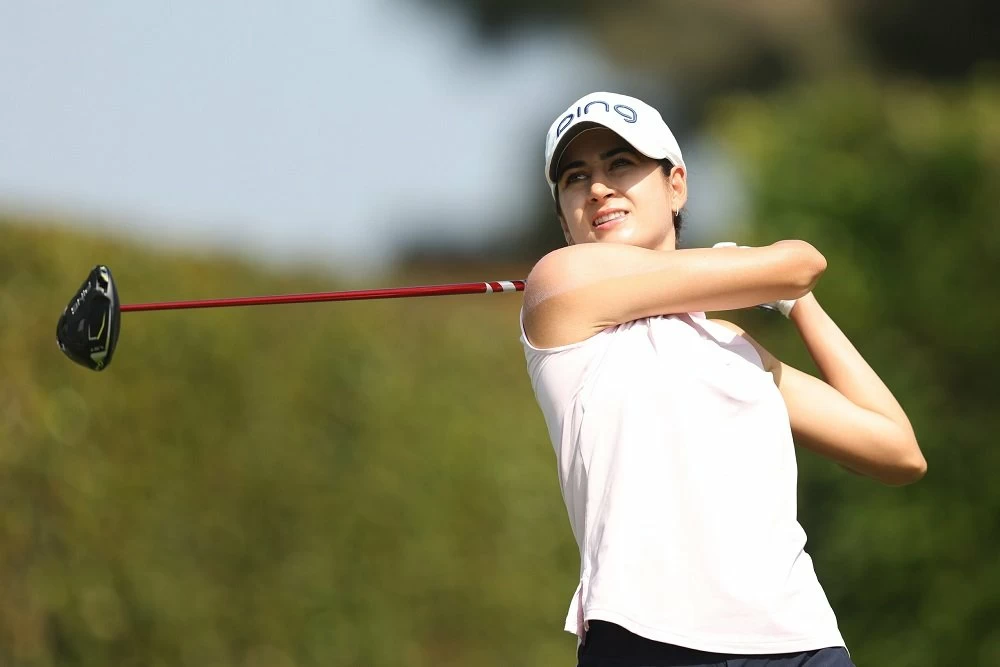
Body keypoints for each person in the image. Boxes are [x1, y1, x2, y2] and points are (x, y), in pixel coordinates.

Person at [519, 92, 927, 667]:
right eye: (575, 177)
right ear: (564, 218)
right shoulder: (559, 286)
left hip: (799, 642)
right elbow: (800, 260)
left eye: (621, 164)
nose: (598, 188)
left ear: (676, 185)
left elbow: (896, 449)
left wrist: (796, 306)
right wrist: (766, 274)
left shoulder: (735, 348)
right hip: (650, 639)